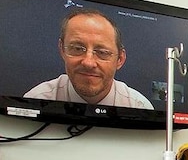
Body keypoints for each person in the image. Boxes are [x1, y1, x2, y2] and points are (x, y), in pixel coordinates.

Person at [24, 9, 153, 109]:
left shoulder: (139, 106)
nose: (88, 62)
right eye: (77, 49)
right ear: (62, 50)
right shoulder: (35, 100)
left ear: (120, 59)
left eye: (102, 52)